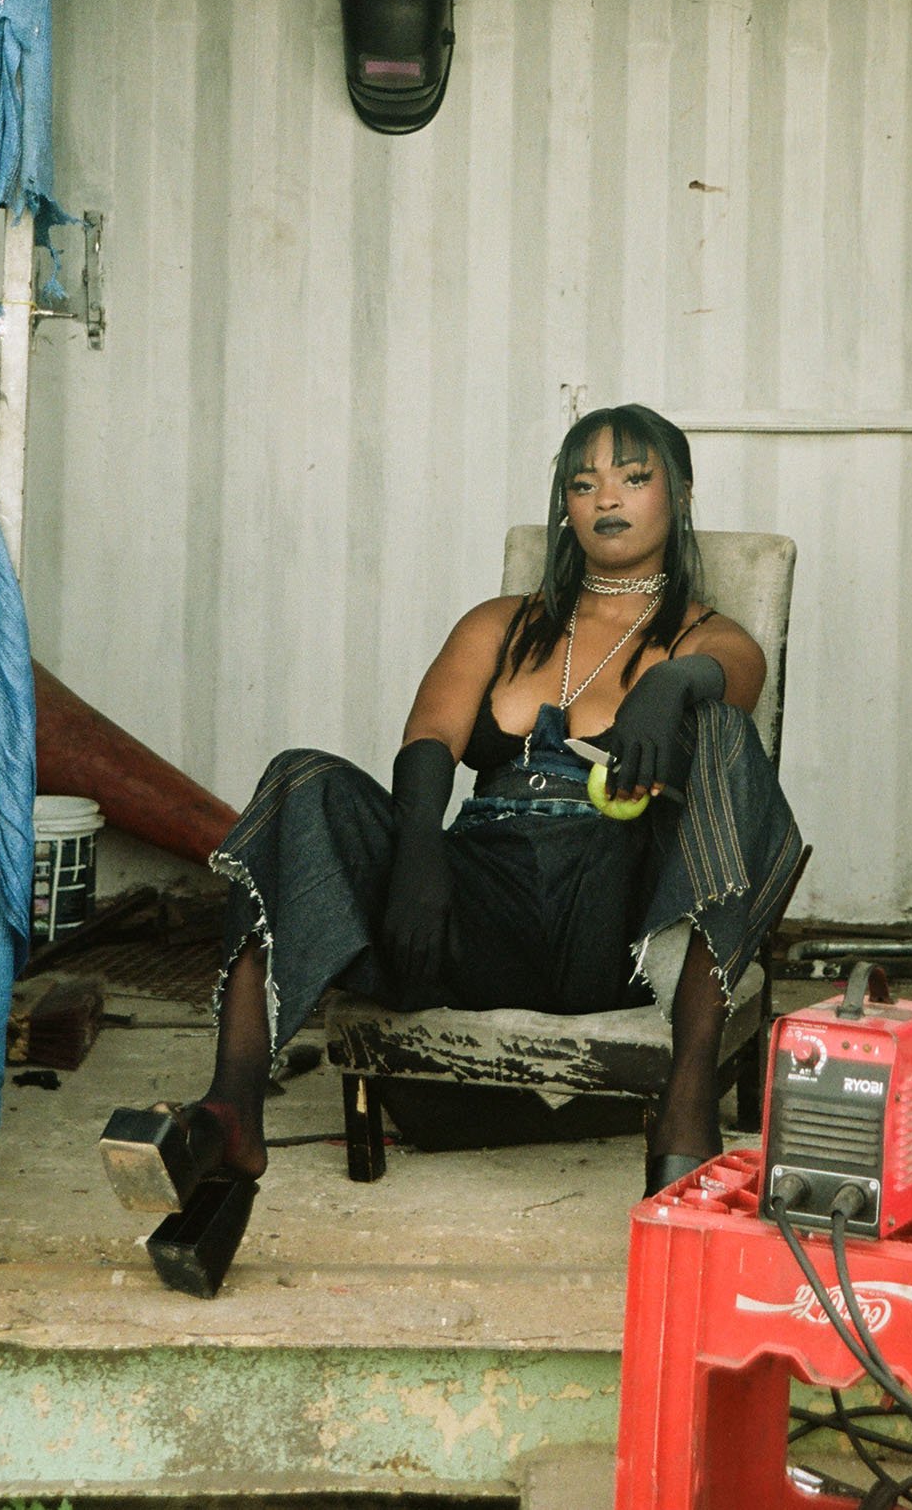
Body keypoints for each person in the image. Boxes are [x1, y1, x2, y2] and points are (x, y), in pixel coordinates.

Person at [99, 404, 808, 1291]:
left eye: (633, 476)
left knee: (730, 745)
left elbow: (742, 674)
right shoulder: (503, 622)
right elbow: (431, 735)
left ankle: (685, 1118)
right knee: (301, 777)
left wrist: (676, 680)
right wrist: (419, 860)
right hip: (478, 909)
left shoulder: (704, 634)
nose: (606, 498)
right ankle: (232, 1112)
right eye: (582, 483)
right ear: (564, 507)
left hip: (612, 925)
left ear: (681, 492)